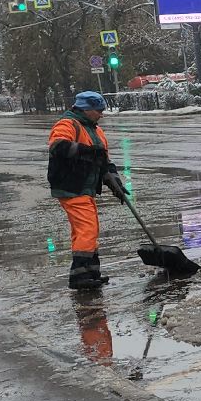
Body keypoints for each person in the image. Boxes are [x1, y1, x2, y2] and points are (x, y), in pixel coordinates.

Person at [47, 91, 128, 290]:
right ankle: (80, 276)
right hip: (70, 184)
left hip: (85, 186)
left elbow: (104, 162)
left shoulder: (96, 130)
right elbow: (58, 146)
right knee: (87, 228)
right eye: (98, 111)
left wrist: (114, 182)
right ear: (86, 109)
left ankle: (89, 273)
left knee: (85, 229)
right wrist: (89, 152)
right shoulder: (68, 124)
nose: (101, 115)